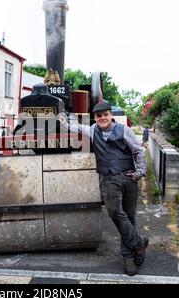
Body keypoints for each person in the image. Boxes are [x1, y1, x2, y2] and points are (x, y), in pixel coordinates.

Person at [59, 102, 148, 276]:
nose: (102, 118)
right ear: (95, 118)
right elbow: (74, 126)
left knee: (129, 217)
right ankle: (138, 243)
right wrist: (63, 114)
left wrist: (140, 173)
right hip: (108, 178)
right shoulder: (93, 129)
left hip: (129, 177)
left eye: (105, 115)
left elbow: (138, 151)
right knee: (115, 212)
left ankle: (128, 257)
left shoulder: (124, 130)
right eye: (99, 116)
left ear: (110, 115)